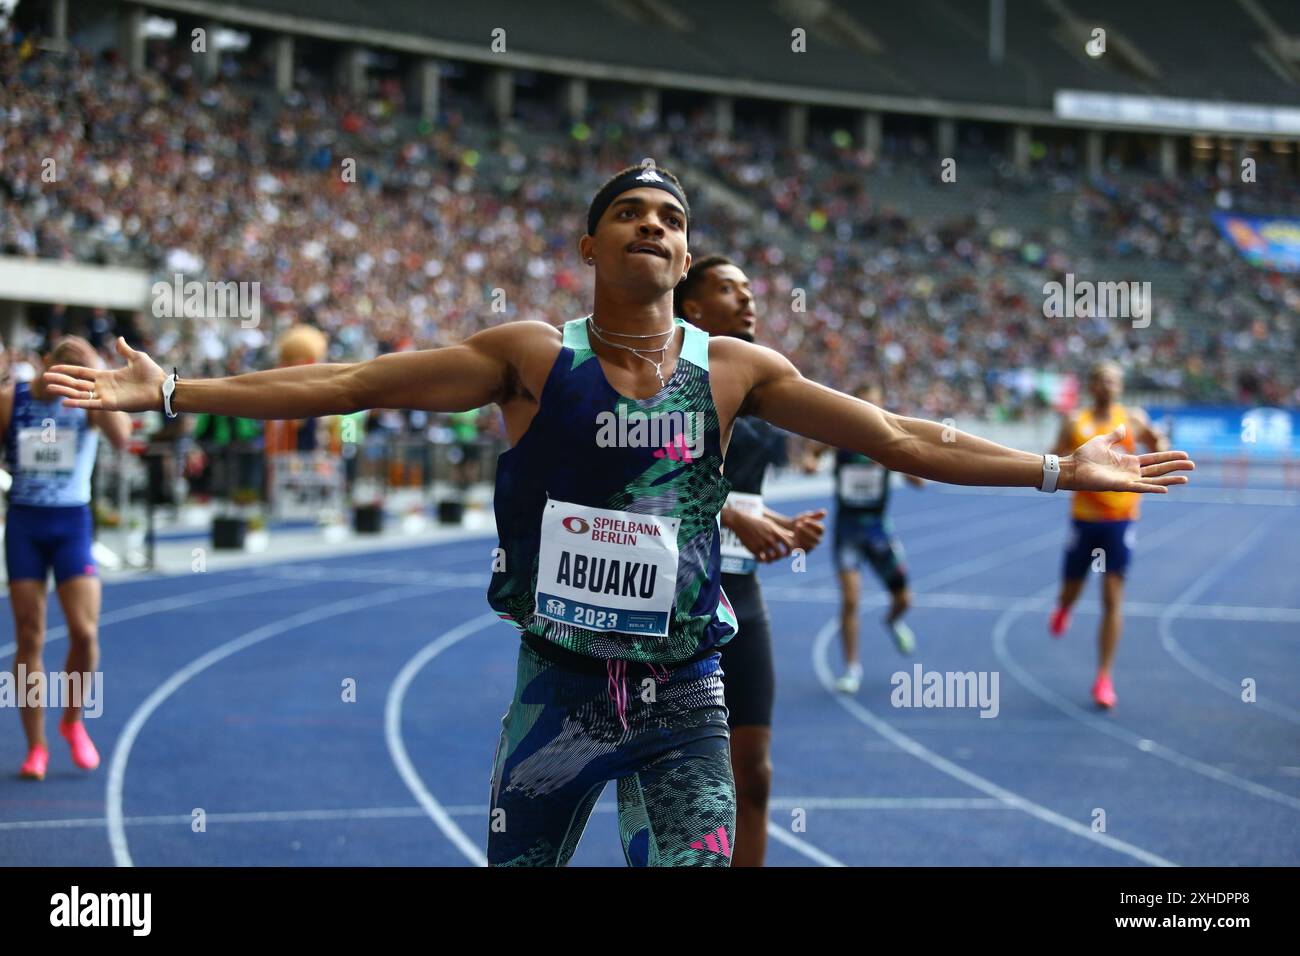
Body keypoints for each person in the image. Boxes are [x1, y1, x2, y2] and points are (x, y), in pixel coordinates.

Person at [45, 165, 1195, 864]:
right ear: (589, 246)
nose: (656, 225)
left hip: (685, 688)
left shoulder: (737, 368)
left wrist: (1057, 466)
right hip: (554, 690)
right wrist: (179, 390)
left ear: (687, 252)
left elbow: (902, 436)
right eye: (632, 213)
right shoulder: (530, 357)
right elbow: (352, 383)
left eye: (673, 217)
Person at [674, 254, 826, 866]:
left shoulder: (761, 382)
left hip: (742, 593)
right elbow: (656, 488)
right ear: (692, 306)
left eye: (750, 290)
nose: (748, 300)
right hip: (678, 601)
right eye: (728, 290)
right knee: (677, 785)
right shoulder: (673, 381)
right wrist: (735, 518)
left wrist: (779, 528)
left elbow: (739, 494)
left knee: (755, 772)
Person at [3, 336, 131, 779]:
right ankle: (35, 746)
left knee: (84, 632)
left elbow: (122, 438)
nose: (66, 388)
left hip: (71, 524)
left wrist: (97, 392)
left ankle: (72, 721)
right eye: (62, 377)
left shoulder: (89, 401)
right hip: (25, 524)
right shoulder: (14, 400)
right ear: (46, 369)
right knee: (29, 637)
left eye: (77, 378)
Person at [1048, 361, 1171, 709]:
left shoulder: (1131, 419)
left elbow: (1156, 441)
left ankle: (1103, 677)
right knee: (1071, 588)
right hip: (1084, 520)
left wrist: (1160, 438)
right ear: (1091, 385)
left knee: (1112, 599)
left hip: (1119, 521)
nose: (1107, 385)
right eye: (1101, 379)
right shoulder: (1075, 422)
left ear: (1120, 386)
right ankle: (1063, 608)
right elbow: (1053, 458)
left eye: (1113, 380)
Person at [804, 384, 925, 694]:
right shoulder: (840, 434)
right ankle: (852, 668)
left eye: (876, 404)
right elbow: (812, 452)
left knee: (904, 599)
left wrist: (909, 468)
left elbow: (918, 481)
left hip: (878, 530)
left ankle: (893, 622)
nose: (870, 410)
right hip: (848, 531)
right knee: (851, 599)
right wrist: (811, 462)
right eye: (864, 403)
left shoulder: (888, 439)